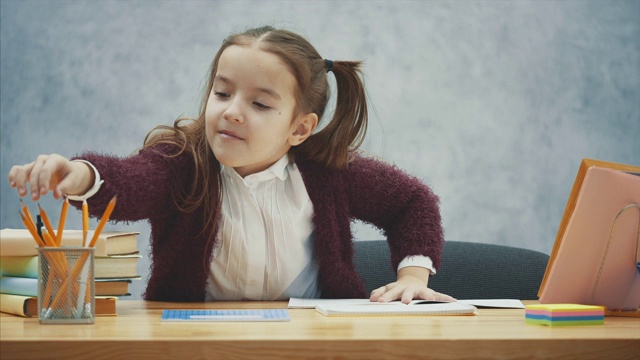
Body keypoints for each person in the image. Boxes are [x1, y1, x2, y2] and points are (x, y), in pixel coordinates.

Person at [8, 26, 454, 304]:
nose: (232, 111)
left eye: (260, 103)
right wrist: (81, 174)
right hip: (193, 344)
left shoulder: (327, 173)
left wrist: (412, 276)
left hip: (313, 343)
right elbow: (132, 181)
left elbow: (412, 202)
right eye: (222, 94)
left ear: (299, 129)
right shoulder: (181, 162)